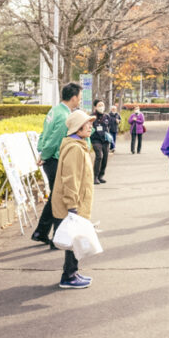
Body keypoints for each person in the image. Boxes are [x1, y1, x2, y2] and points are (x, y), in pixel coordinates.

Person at [31, 82, 82, 247]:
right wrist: (44, 155)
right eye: (79, 97)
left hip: (49, 158)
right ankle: (56, 238)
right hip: (54, 159)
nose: (80, 100)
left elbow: (44, 133)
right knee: (60, 199)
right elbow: (54, 140)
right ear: (74, 98)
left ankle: (42, 232)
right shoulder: (65, 116)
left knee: (55, 196)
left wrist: (41, 153)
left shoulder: (55, 110)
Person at [52, 109, 96, 289]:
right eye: (88, 123)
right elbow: (70, 179)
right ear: (78, 128)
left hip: (77, 202)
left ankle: (72, 273)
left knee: (75, 239)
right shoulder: (75, 149)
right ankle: (68, 276)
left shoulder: (79, 145)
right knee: (73, 240)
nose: (91, 126)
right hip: (72, 203)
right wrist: (72, 206)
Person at [89, 99, 114, 184]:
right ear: (95, 107)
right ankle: (95, 176)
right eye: (99, 105)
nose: (101, 107)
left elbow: (109, 126)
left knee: (105, 157)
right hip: (96, 139)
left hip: (105, 140)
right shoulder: (92, 117)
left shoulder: (107, 116)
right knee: (99, 156)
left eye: (102, 105)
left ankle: (101, 176)